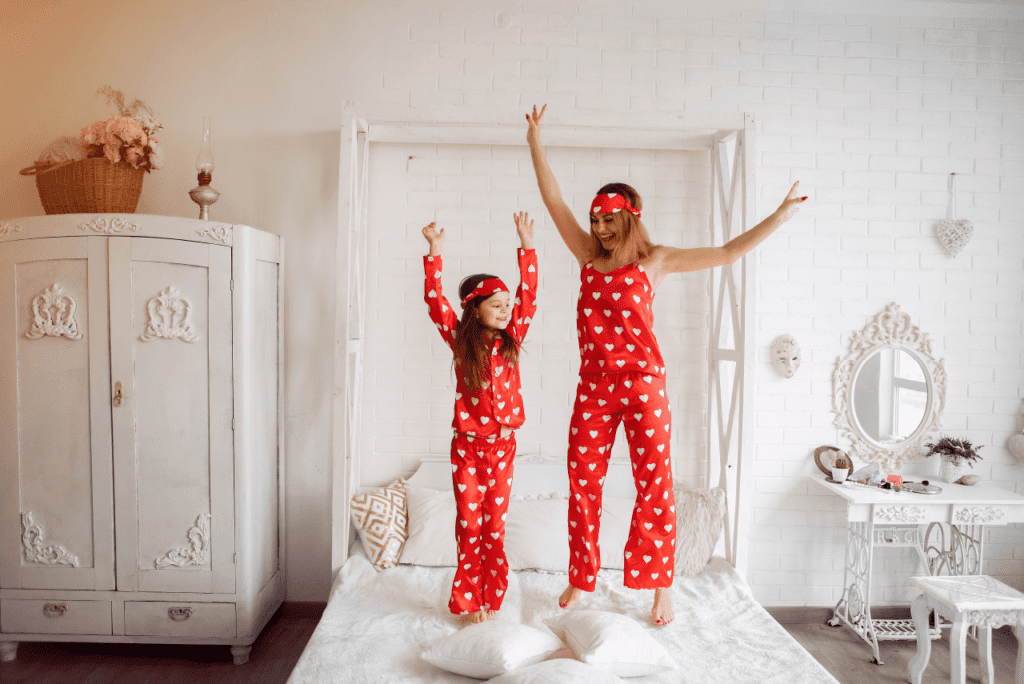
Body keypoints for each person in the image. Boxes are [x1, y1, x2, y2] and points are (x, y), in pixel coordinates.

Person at [525, 104, 807, 626]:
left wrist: (778, 216)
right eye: (596, 220)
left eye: (609, 220)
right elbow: (553, 199)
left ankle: (660, 587)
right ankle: (581, 577)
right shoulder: (587, 255)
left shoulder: (656, 260)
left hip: (644, 387)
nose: (600, 228)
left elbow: (726, 252)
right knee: (583, 480)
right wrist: (535, 141)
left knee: (654, 483)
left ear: (629, 217)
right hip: (595, 388)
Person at [422, 213, 538, 624]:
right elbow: (435, 302)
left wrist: (526, 244)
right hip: (467, 448)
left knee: (494, 528)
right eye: (497, 304)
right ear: (475, 309)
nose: (507, 310)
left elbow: (530, 294)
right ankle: (469, 602)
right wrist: (434, 253)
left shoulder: (514, 337)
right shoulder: (459, 340)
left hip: (503, 447)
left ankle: (493, 599)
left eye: (509, 304)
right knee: (470, 524)